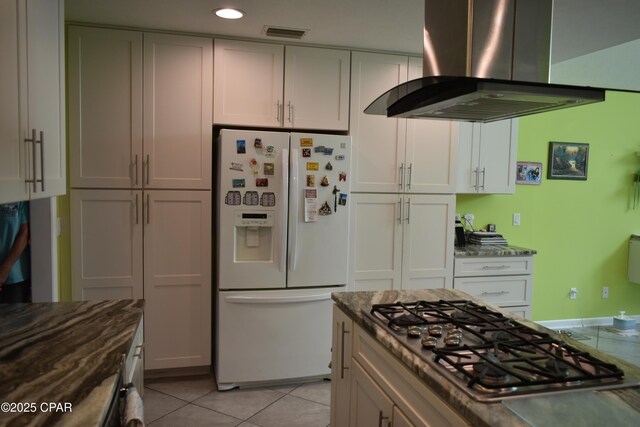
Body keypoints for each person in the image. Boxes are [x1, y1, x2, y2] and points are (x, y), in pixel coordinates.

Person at [0, 201, 31, 303]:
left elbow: (24, 234)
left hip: (15, 277)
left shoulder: (20, 200)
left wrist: (5, 269)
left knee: (16, 317)